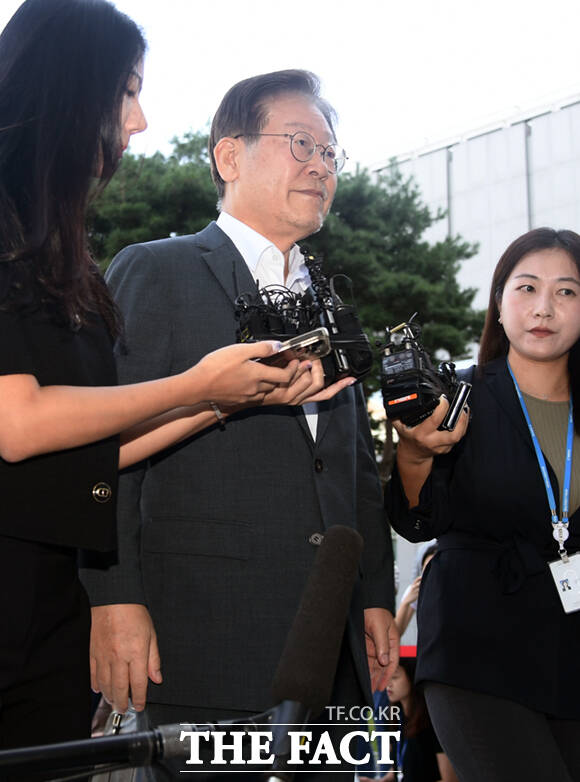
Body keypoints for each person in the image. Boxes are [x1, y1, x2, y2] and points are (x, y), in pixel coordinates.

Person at [0, 0, 319, 756]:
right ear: (69, 87)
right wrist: (192, 385)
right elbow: (18, 423)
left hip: (42, 620)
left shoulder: (59, 254)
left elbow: (92, 448)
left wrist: (227, 397)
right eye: (128, 90)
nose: (139, 120)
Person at [81, 69, 398, 777]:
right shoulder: (156, 271)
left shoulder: (329, 300)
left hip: (326, 651)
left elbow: (352, 469)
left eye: (331, 154)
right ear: (230, 157)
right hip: (200, 637)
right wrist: (113, 596)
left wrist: (373, 595)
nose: (322, 165)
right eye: (300, 144)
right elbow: (98, 452)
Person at [386, 227, 580, 782]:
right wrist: (414, 450)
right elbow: (417, 517)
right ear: (499, 301)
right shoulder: (458, 397)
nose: (544, 307)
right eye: (527, 288)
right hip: (476, 650)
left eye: (567, 291)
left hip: (570, 648)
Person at [360, 657, 458, 782]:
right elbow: (402, 769)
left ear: (412, 678)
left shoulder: (432, 724)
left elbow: (450, 779)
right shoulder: (396, 720)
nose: (388, 684)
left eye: (394, 677)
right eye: (387, 677)